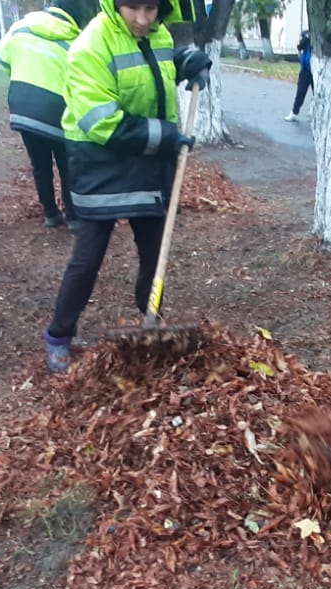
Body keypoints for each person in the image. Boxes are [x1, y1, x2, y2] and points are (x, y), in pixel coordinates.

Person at [41, 0, 212, 373]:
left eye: (151, 9)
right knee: (88, 257)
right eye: (132, 8)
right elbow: (102, 123)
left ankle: (150, 318)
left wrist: (186, 63)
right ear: (114, 5)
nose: (142, 19)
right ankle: (58, 336)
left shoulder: (158, 33)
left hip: (148, 161)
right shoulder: (90, 47)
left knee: (154, 249)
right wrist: (168, 136)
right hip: (99, 162)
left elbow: (156, 70)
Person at [0, 0, 99, 229]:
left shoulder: (20, 28)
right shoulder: (75, 41)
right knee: (66, 166)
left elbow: (3, 60)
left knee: (40, 165)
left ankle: (51, 215)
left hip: (23, 109)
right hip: (58, 113)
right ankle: (73, 218)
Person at [283, 30, 311, 122]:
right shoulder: (307, 40)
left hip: (316, 70)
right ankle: (294, 112)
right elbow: (300, 46)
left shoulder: (316, 39)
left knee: (318, 94)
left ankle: (313, 113)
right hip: (306, 69)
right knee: (300, 92)